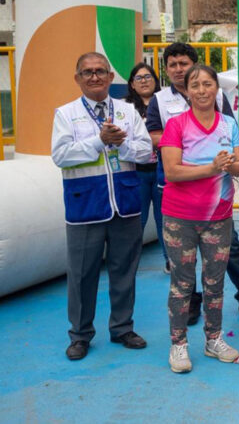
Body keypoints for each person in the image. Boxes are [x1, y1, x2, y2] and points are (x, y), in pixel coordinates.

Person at [52, 52, 153, 361]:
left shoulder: (127, 111)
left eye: (100, 71)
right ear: (77, 79)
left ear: (111, 77)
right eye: (87, 72)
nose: (94, 77)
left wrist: (121, 143)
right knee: (82, 274)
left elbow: (146, 151)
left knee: (125, 269)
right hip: (86, 206)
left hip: (124, 204)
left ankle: (122, 327)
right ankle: (80, 335)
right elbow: (61, 156)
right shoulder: (66, 114)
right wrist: (98, 141)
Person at [145, 42, 239, 321]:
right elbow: (154, 137)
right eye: (173, 65)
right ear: (167, 70)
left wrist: (218, 159)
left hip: (217, 203)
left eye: (184, 63)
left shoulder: (222, 110)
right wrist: (181, 143)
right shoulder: (159, 101)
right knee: (181, 260)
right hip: (177, 195)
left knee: (231, 250)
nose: (179, 69)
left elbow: (229, 141)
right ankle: (190, 305)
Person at [159, 64, 239, 373]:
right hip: (179, 217)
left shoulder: (228, 125)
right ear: (187, 90)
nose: (201, 90)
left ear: (216, 88)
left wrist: (229, 165)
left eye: (207, 84)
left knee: (215, 282)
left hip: (218, 218)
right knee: (182, 284)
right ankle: (179, 344)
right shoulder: (176, 125)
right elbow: (172, 171)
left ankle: (214, 340)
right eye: (194, 85)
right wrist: (211, 169)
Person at [125, 62, 167, 272]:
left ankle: (170, 260)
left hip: (162, 169)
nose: (144, 81)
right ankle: (130, 262)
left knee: (164, 218)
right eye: (139, 78)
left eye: (148, 76)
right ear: (132, 84)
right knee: (137, 219)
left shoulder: (164, 103)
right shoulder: (126, 109)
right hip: (137, 172)